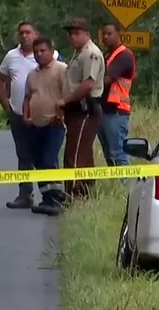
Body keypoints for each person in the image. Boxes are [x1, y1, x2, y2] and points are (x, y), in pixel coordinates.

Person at [0, 21, 62, 210]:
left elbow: (64, 86)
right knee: (24, 155)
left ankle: (53, 197)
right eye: (21, 32)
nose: (24, 36)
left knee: (48, 157)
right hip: (19, 114)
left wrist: (61, 111)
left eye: (28, 32)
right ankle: (25, 195)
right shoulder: (12, 56)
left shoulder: (53, 58)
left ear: (36, 34)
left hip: (47, 118)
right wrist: (6, 105)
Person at [45, 17, 105, 216]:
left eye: (76, 33)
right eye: (70, 34)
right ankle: (84, 195)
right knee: (82, 152)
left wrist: (65, 100)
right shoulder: (78, 54)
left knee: (75, 153)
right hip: (76, 110)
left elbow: (88, 84)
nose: (72, 37)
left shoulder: (90, 53)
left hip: (86, 108)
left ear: (87, 34)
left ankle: (74, 196)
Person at [23, 37, 69, 216]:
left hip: (54, 123)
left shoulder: (61, 69)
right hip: (35, 124)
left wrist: (62, 114)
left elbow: (68, 95)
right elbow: (27, 97)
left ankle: (57, 198)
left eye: (43, 51)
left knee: (50, 160)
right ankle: (46, 198)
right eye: (36, 52)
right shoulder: (32, 74)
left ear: (51, 51)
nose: (39, 54)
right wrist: (26, 116)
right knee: (39, 163)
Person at [97, 22, 135, 168]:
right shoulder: (107, 55)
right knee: (109, 155)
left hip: (117, 110)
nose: (106, 37)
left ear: (119, 34)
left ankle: (127, 183)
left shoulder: (124, 55)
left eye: (109, 34)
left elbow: (106, 79)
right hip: (104, 110)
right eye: (103, 34)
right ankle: (117, 182)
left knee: (119, 153)